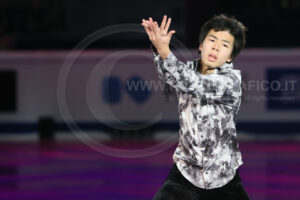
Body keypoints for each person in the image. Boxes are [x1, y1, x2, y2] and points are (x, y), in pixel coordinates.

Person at [141, 14, 250, 200]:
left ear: (230, 56)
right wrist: (158, 48)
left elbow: (195, 83)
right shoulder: (186, 71)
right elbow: (169, 73)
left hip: (224, 181)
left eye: (224, 45)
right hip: (184, 177)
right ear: (201, 45)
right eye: (212, 40)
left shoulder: (231, 81)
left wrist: (165, 52)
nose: (216, 46)